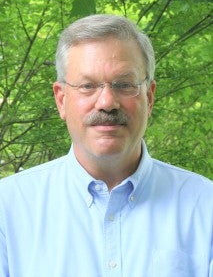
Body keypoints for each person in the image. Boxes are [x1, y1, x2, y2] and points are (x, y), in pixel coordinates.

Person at [0, 14, 212, 277]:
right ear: (61, 100)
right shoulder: (8, 208)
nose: (107, 102)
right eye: (88, 86)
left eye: (124, 85)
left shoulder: (205, 206)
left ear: (149, 97)